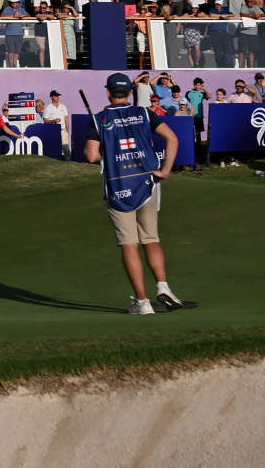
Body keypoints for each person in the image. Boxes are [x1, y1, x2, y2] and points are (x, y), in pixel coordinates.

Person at [84, 73, 195, 316]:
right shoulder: (145, 113)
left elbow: (92, 156)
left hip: (118, 186)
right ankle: (163, 287)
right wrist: (165, 170)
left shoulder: (100, 119)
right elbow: (172, 139)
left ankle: (143, 302)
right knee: (151, 239)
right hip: (147, 183)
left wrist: (108, 152)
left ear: (108, 92)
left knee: (129, 244)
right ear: (130, 93)